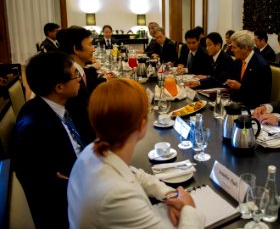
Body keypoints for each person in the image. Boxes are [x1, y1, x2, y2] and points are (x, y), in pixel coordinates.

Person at [67, 79, 205, 228]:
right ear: (142, 125)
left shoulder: (91, 151)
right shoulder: (116, 196)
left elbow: (135, 175)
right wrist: (188, 208)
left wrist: (170, 196)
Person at [12, 52, 87, 228]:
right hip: (70, 208)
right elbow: (43, 187)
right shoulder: (34, 128)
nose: (79, 80)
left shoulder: (58, 105)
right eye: (75, 75)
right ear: (59, 87)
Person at [57, 26, 105, 142]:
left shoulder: (78, 71)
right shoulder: (70, 80)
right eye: (90, 44)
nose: (93, 49)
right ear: (76, 49)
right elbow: (81, 118)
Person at [225, 30, 272, 108]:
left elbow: (262, 97)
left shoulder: (262, 66)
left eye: (234, 47)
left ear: (245, 48)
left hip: (251, 109)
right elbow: (225, 76)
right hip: (235, 104)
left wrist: (240, 87)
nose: (231, 50)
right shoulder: (238, 61)